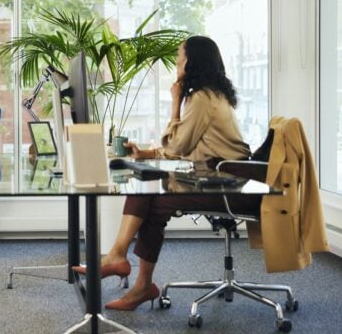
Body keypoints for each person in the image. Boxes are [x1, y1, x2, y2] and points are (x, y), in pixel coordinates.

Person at [72, 36, 256, 310]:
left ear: (192, 61)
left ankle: (129, 270)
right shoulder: (211, 94)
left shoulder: (202, 98)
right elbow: (183, 146)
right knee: (148, 187)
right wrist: (148, 155)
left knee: (153, 198)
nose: (177, 62)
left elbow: (179, 145)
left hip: (226, 184)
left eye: (180, 57)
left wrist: (175, 103)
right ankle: (127, 267)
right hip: (219, 177)